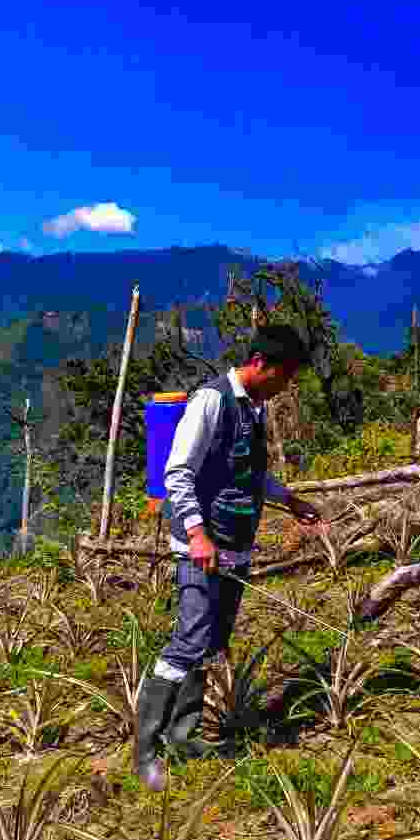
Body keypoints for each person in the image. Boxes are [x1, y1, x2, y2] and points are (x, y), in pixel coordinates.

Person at [134, 324, 323, 791]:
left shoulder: (252, 410)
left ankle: (184, 734)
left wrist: (290, 500)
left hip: (234, 546)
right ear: (260, 363)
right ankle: (146, 751)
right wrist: (197, 535)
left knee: (212, 640)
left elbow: (250, 473)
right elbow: (177, 471)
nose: (284, 388)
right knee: (189, 639)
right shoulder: (212, 401)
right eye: (283, 377)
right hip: (202, 546)